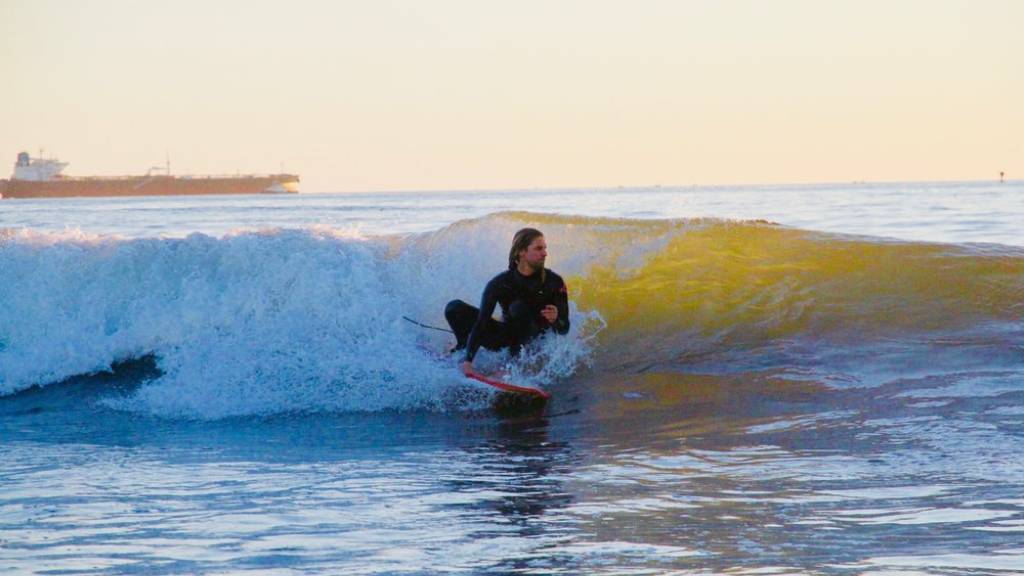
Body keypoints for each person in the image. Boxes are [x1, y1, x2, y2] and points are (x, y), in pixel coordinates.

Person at [445, 228, 570, 377]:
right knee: (454, 308)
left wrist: (556, 319)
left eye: (545, 248)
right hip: (506, 337)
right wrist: (468, 361)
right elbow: (481, 323)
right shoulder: (500, 283)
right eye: (539, 248)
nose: (545, 253)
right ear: (521, 251)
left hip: (533, 343)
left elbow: (564, 328)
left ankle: (510, 366)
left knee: (518, 307)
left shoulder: (554, 282)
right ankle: (462, 351)